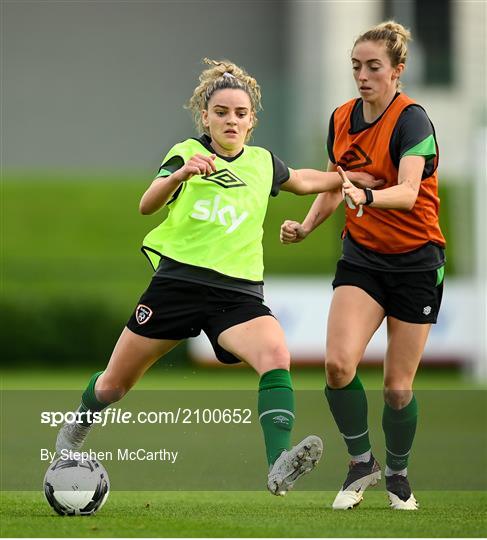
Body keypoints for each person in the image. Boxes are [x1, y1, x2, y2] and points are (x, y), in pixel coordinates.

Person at [55, 58, 380, 495]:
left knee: (275, 356)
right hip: (177, 286)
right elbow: (147, 205)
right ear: (204, 117)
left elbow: (303, 180)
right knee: (114, 385)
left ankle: (277, 463)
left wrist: (352, 178)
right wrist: (182, 175)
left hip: (237, 294)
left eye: (240, 114)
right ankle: (71, 433)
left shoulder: (263, 163)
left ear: (252, 122)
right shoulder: (188, 153)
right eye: (222, 112)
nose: (231, 120)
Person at [281, 21, 445, 510]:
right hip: (363, 260)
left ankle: (397, 473)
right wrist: (308, 226)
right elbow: (337, 184)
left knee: (397, 389)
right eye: (357, 66)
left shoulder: (412, 120)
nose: (363, 76)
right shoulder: (341, 118)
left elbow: (409, 192)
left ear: (397, 71)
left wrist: (366, 194)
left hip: (416, 262)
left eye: (374, 67)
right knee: (337, 365)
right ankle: (360, 463)